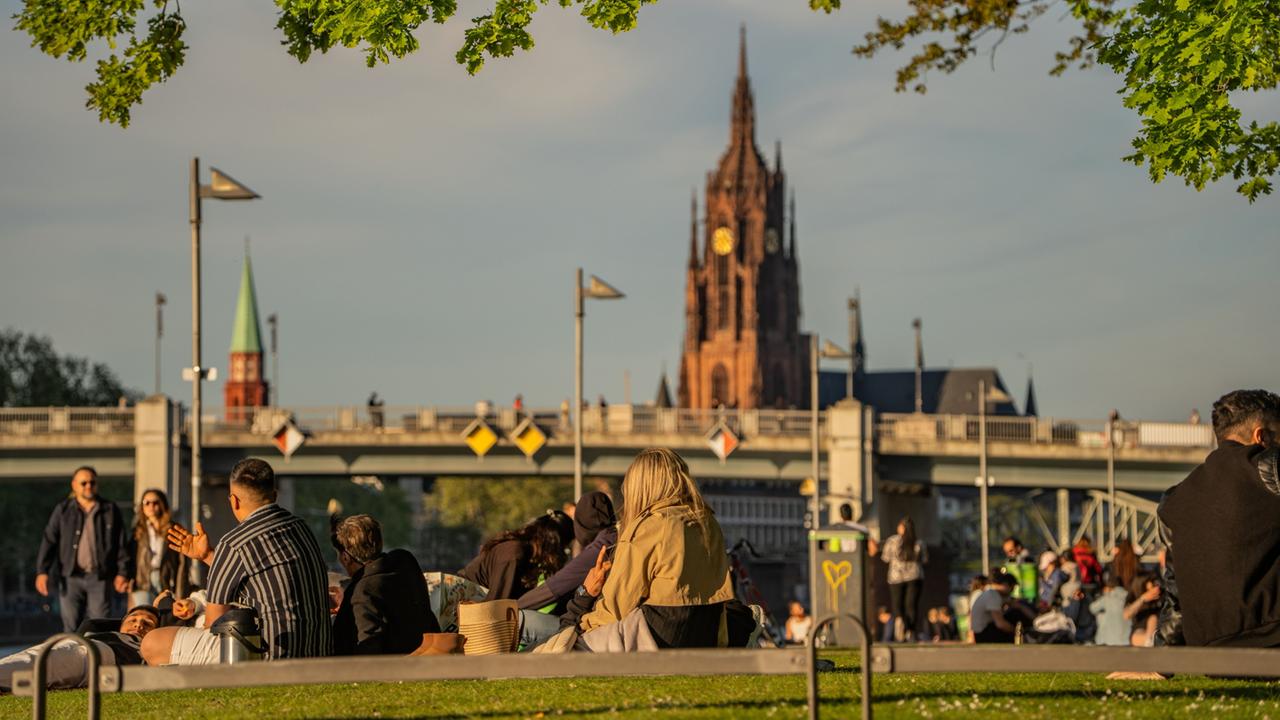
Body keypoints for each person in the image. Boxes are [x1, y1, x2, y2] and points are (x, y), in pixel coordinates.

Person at [141, 458, 332, 664]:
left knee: (153, 642)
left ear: (234, 501)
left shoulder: (235, 543)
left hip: (269, 654)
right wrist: (207, 556)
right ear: (274, 495)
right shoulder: (301, 528)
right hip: (317, 650)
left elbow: (214, 624)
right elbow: (261, 572)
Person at [567, 448, 735, 648]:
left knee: (557, 640)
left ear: (639, 487)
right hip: (703, 638)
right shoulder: (708, 523)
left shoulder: (648, 527)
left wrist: (579, 624)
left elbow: (615, 609)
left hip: (656, 639)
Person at [1158, 389, 1280, 648]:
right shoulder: (1270, 465)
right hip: (1272, 639)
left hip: (1212, 653)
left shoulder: (1174, 499)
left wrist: (1161, 660)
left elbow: (1176, 598)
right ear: (1262, 436)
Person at [35, 466, 133, 632]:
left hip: (99, 577)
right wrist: (42, 571)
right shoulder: (63, 510)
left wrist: (122, 573)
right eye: (84, 483)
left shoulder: (109, 509)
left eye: (92, 482)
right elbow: (49, 540)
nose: (88, 486)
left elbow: (121, 543)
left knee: (100, 624)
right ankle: (73, 658)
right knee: (71, 626)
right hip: (70, 577)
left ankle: (99, 657)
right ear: (74, 485)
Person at [330, 514, 440, 655]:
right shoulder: (405, 564)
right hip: (428, 657)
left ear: (345, 557)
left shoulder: (362, 593)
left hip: (396, 671)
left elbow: (368, 651)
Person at [0, 605, 160, 692]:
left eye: (148, 623)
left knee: (42, 661)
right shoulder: (99, 631)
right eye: (133, 620)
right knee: (33, 656)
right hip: (79, 646)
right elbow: (92, 622)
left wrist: (161, 607)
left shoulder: (152, 645)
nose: (139, 624)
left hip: (103, 655)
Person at [518, 492, 617, 612]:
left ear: (581, 522)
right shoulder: (613, 537)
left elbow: (554, 588)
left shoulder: (600, 548)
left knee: (523, 620)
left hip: (601, 623)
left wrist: (509, 609)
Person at [460, 512, 572, 602]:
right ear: (553, 544)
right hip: (464, 605)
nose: (565, 552)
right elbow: (497, 605)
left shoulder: (527, 554)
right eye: (564, 546)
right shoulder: (513, 553)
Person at [868, 516, 927, 641]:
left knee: (897, 605)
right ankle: (910, 632)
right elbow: (925, 559)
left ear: (902, 528)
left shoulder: (893, 541)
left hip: (896, 577)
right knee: (911, 605)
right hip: (915, 576)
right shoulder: (919, 543)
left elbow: (885, 558)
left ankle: (900, 627)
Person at [130, 488, 180, 607]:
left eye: (155, 502)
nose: (151, 506)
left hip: (165, 578)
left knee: (163, 615)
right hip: (142, 579)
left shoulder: (173, 529)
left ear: (162, 504)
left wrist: (180, 588)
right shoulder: (138, 530)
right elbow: (131, 556)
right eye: (147, 503)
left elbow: (181, 561)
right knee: (145, 611)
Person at [970, 571, 1031, 643]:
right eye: (1012, 588)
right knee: (1014, 615)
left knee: (1015, 611)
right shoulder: (993, 596)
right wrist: (1016, 631)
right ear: (1006, 585)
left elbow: (1015, 604)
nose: (1012, 592)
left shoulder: (991, 593)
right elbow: (1000, 624)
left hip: (980, 633)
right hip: (984, 634)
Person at [1090, 575, 1130, 646]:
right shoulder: (1129, 596)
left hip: (1108, 640)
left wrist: (1105, 594)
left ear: (1109, 587)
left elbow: (1092, 608)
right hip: (1126, 639)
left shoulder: (1107, 598)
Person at [1125, 574, 1161, 647]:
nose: (1151, 592)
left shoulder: (1159, 600)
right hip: (1138, 632)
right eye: (1147, 590)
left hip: (1154, 632)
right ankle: (1149, 641)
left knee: (1153, 618)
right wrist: (1143, 599)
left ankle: (1150, 640)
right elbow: (1126, 614)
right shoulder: (1134, 598)